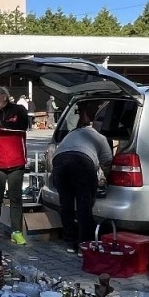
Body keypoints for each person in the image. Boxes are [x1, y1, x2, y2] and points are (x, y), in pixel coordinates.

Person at [52, 108, 115, 253]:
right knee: (84, 205)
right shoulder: (99, 137)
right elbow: (107, 160)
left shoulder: (71, 134)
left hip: (59, 161)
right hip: (82, 162)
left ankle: (69, 242)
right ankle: (84, 244)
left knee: (66, 204)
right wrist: (103, 179)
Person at [0, 85, 31, 246]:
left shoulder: (19, 110)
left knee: (15, 198)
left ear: (4, 96)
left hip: (17, 161)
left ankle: (16, 231)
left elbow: (22, 125)